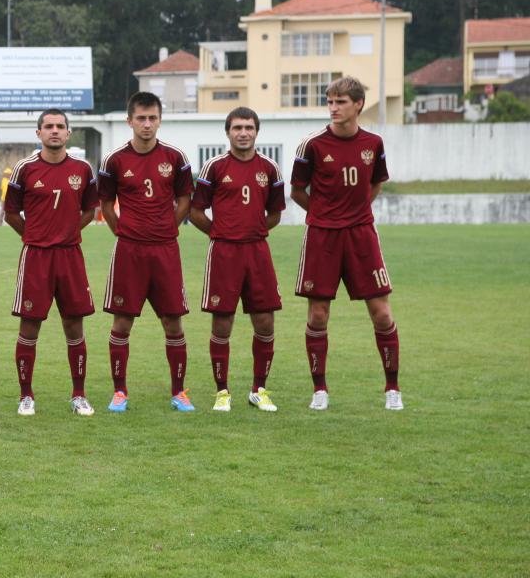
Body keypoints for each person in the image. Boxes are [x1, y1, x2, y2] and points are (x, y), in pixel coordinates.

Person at [291, 76, 402, 411]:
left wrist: (353, 214)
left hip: (361, 236)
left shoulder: (374, 142)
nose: (333, 108)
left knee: (381, 313)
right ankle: (320, 390)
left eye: (340, 102)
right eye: (330, 101)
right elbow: (297, 191)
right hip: (322, 236)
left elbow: (376, 185)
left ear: (358, 105)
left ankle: (392, 389)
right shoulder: (311, 145)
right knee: (318, 315)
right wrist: (325, 215)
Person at [98, 91, 195, 412]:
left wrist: (171, 226)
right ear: (130, 121)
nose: (147, 124)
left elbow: (184, 200)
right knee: (122, 324)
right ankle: (119, 392)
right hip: (130, 252)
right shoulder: (115, 160)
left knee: (173, 324)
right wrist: (122, 231)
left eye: (152, 118)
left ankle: (179, 392)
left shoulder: (176, 158)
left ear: (160, 121)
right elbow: (105, 205)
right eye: (141, 118)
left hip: (165, 250)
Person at [189, 107, 285, 412]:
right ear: (227, 132)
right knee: (222, 322)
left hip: (257, 251)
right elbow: (195, 212)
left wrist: (252, 232)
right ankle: (222, 392)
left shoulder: (270, 168)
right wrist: (220, 234)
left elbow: (275, 214)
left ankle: (259, 389)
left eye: (248, 127)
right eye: (237, 127)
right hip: (224, 253)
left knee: (265, 320)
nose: (243, 132)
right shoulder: (214, 167)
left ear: (257, 131)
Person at [4, 109, 98, 416]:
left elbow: (88, 211)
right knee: (30, 326)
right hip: (36, 257)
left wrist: (67, 232)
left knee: (74, 324)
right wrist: (34, 236)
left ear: (68, 133)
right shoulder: (24, 169)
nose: (54, 131)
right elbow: (11, 214)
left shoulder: (83, 169)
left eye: (60, 126)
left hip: (70, 256)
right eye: (48, 126)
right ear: (39, 133)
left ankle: (79, 395)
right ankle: (26, 396)